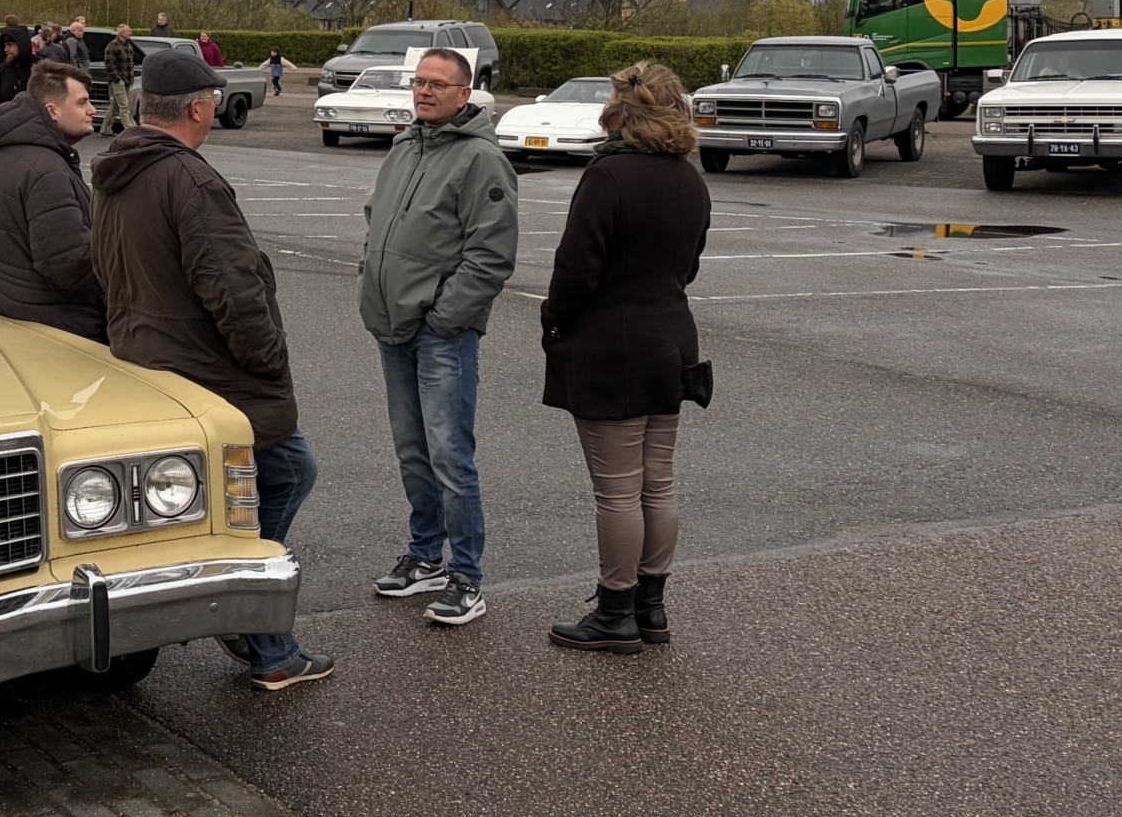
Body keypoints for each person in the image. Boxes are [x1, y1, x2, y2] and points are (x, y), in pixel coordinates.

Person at [91, 50, 330, 691]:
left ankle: (256, 627)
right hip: (209, 372)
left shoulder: (117, 171)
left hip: (149, 359)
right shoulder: (190, 180)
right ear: (199, 107)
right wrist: (269, 363)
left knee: (255, 483)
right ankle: (262, 635)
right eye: (213, 99)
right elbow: (233, 289)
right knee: (284, 473)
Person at [540, 63, 712, 654]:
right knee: (656, 483)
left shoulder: (607, 175)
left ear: (620, 110)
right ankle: (650, 606)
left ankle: (615, 611)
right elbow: (688, 266)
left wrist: (553, 320)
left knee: (617, 490)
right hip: (670, 341)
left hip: (611, 348)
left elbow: (576, 271)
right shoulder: (690, 180)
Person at [358, 45, 518, 627]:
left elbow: (492, 254)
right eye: (419, 82)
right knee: (412, 450)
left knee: (451, 455)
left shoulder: (481, 160)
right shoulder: (404, 145)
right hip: (392, 324)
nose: (424, 92)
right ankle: (425, 556)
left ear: (464, 94)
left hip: (440, 334)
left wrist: (444, 316)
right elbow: (378, 219)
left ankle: (466, 577)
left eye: (437, 85)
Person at [0, 61, 105, 339]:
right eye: (82, 103)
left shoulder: (0, 149)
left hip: (3, 313)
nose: (92, 110)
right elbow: (68, 264)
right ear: (52, 111)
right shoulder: (47, 170)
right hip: (56, 325)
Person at [101, 23, 139, 136]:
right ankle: (131, 130)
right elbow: (109, 65)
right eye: (128, 31)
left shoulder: (128, 45)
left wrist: (130, 79)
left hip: (127, 79)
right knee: (124, 106)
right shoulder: (113, 46)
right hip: (118, 81)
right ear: (122, 33)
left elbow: (131, 63)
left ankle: (105, 130)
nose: (130, 33)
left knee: (115, 107)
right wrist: (117, 79)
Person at [0, 35, 32, 105]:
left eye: (10, 45)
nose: (6, 49)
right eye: (5, 45)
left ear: (21, 44)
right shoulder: (2, 69)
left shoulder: (39, 68)